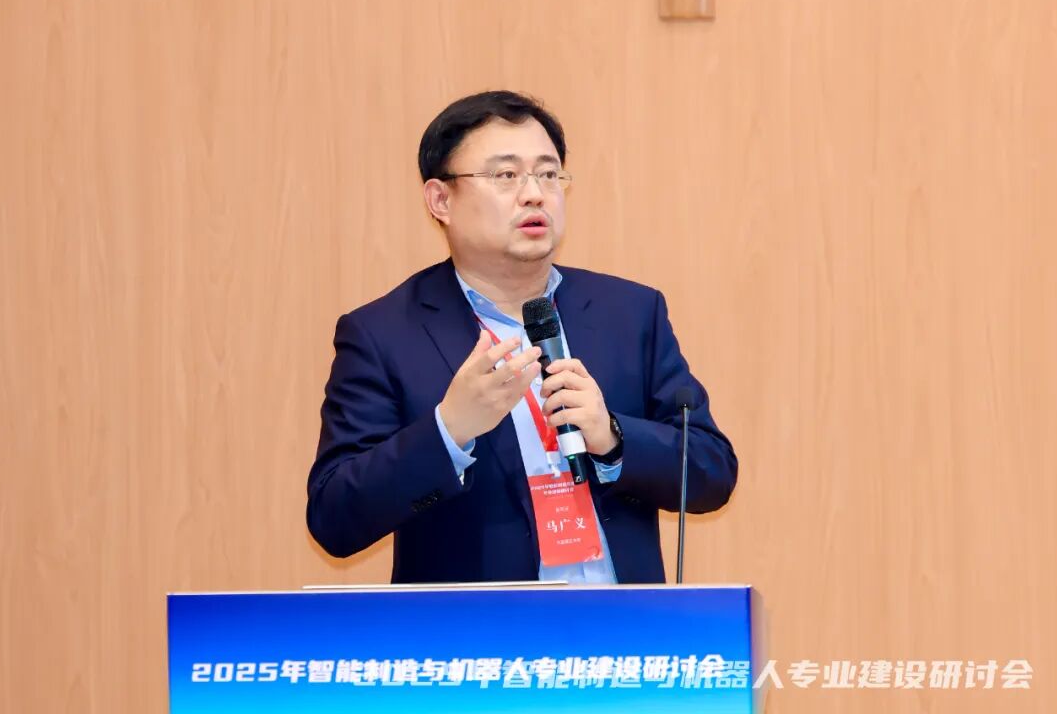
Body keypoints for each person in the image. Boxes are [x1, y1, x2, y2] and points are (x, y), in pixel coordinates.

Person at [307, 90, 737, 584]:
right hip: (481, 630)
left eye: (549, 174)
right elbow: (334, 518)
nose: (534, 194)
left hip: (622, 624)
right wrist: (448, 430)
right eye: (506, 175)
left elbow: (712, 471)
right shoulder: (383, 334)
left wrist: (613, 437)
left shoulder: (630, 312)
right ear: (441, 200)